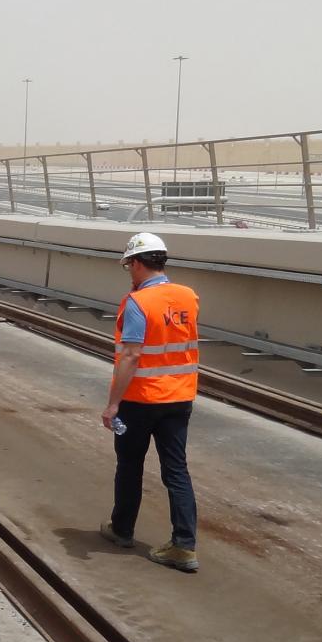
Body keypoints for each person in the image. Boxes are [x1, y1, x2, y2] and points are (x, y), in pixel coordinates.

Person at [98, 232, 201, 572]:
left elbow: (130, 355)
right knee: (177, 471)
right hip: (180, 398)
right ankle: (184, 546)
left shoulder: (138, 303)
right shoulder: (188, 296)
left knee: (130, 465)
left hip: (140, 399)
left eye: (129, 265)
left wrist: (113, 404)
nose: (129, 272)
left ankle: (122, 530)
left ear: (138, 263)